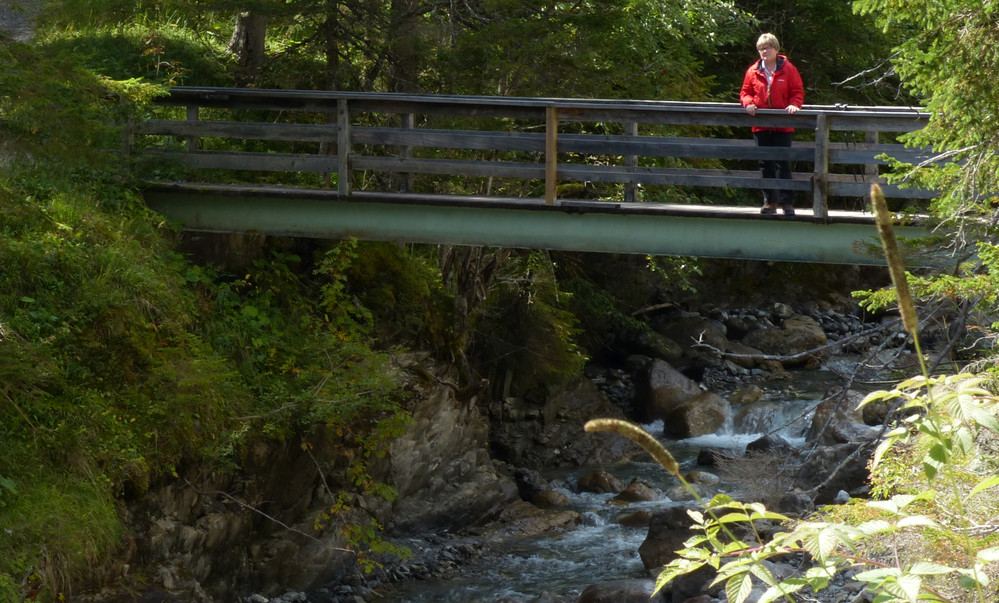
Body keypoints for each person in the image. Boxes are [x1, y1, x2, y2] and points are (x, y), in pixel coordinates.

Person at [739, 33, 804, 216]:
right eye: (760, 48)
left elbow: (797, 91)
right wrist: (749, 103)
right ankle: (770, 202)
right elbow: (745, 92)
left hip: (783, 124)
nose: (763, 51)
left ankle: (787, 203)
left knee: (783, 163)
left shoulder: (788, 69)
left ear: (776, 49)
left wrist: (794, 105)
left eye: (766, 48)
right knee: (765, 163)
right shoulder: (753, 71)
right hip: (761, 123)